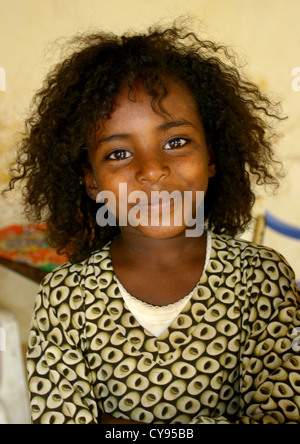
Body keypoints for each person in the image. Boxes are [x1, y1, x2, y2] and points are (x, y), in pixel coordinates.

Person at [8, 21, 300, 424]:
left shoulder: (262, 281)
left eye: (176, 142)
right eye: (118, 154)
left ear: (211, 156)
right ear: (92, 181)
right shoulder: (63, 299)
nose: (152, 170)